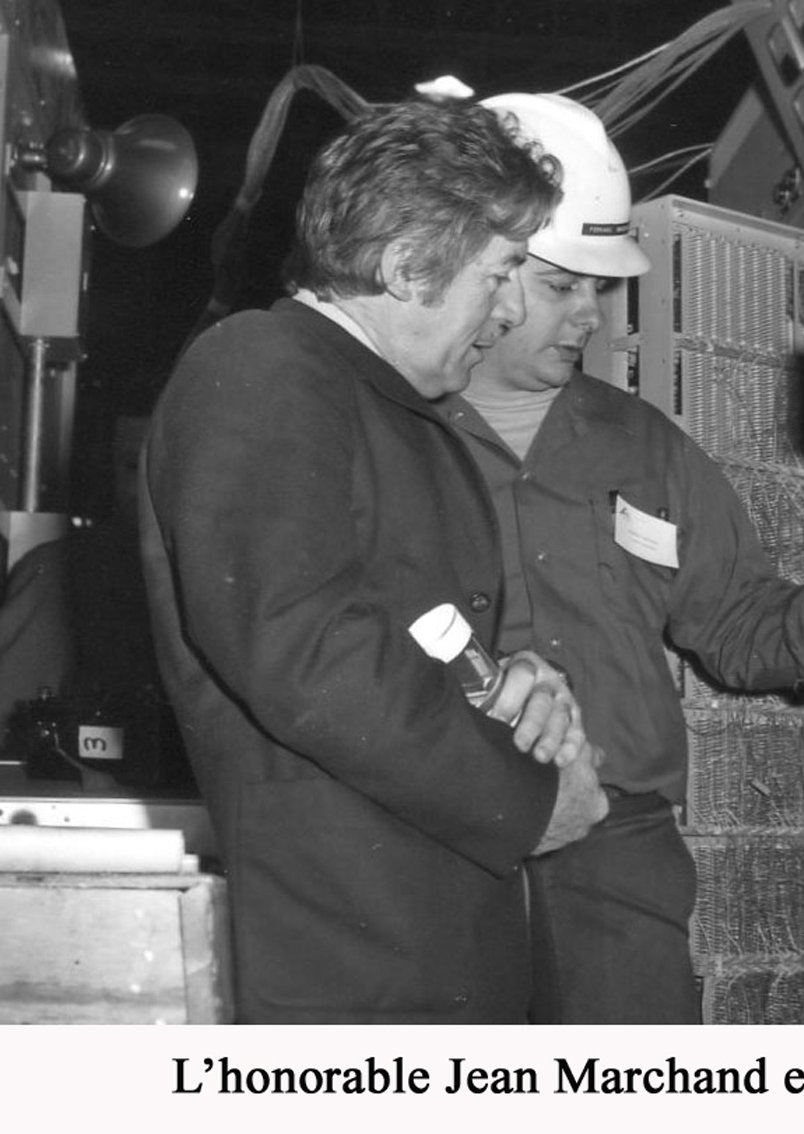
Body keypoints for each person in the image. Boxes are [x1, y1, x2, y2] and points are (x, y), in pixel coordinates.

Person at [138, 96, 609, 1024]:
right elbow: (301, 647)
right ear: (404, 266)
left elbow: (395, 632)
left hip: (417, 951)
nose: (512, 308)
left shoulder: (374, 404)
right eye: (501, 273)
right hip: (351, 972)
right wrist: (524, 800)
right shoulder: (264, 365)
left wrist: (508, 686)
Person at [443, 92, 804, 1023]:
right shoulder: (394, 431)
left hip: (612, 844)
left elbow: (741, 625)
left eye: (600, 290)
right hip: (439, 831)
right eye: (564, 287)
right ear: (486, 270)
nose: (591, 314)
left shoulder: (643, 446)